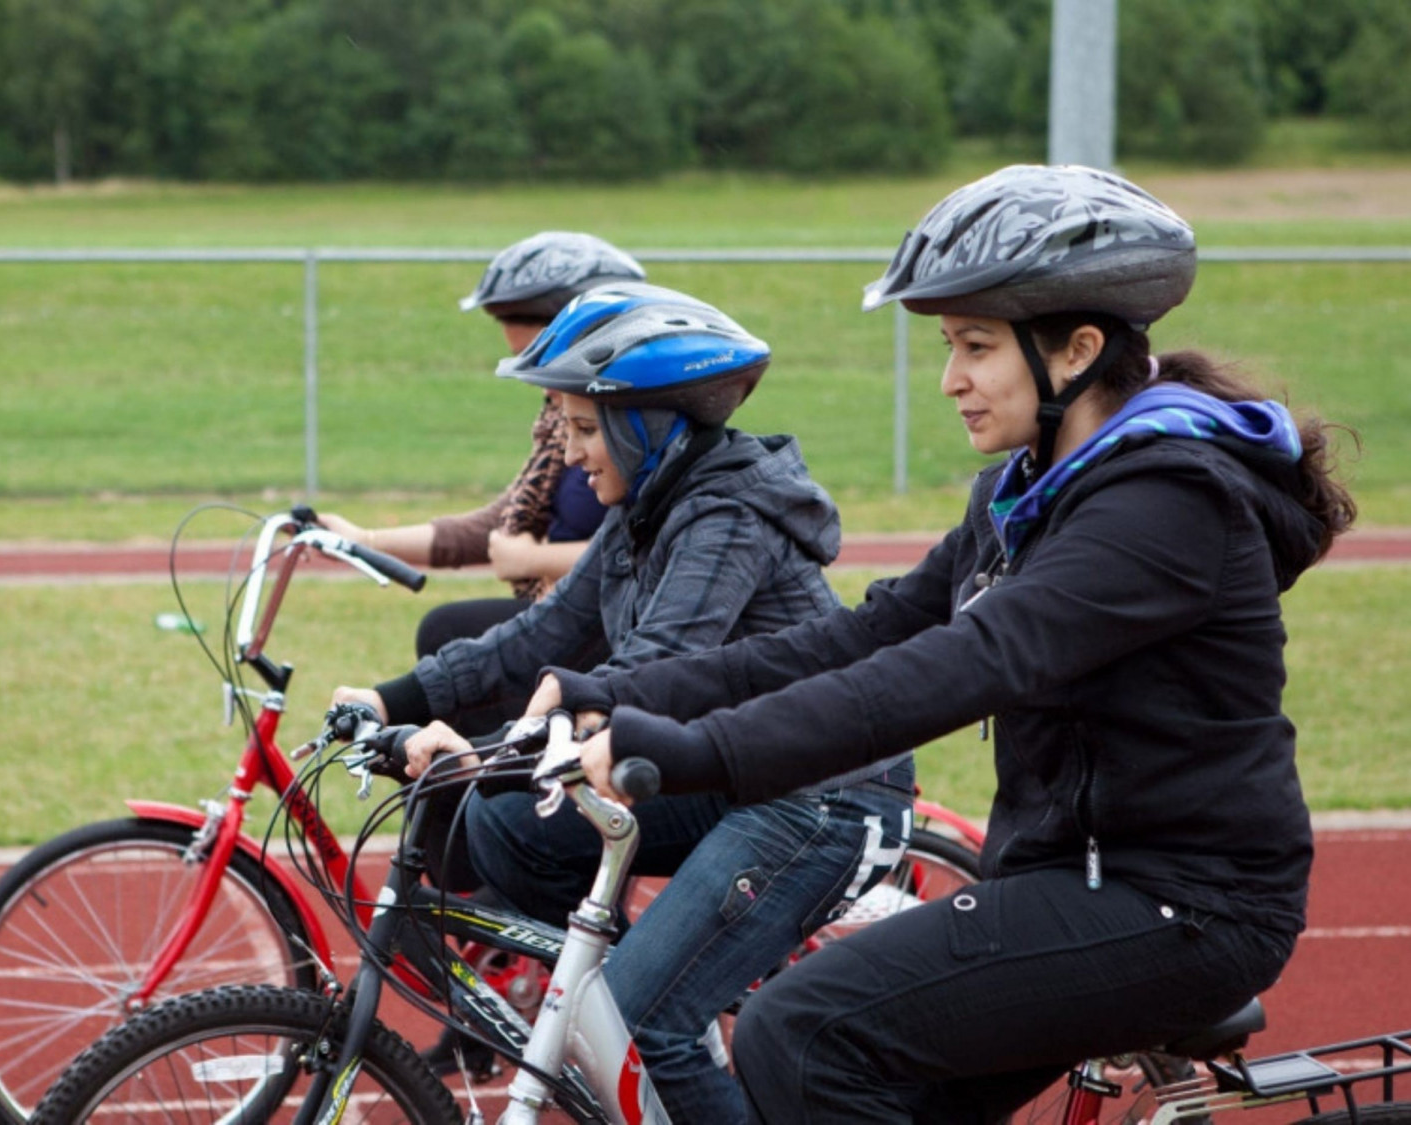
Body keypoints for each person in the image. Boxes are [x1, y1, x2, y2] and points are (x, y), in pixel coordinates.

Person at [538, 164, 1358, 1124]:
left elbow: (966, 664)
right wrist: (627, 693)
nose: (951, 379)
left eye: (976, 345)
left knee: (799, 1031)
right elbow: (865, 634)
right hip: (1070, 876)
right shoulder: (1029, 490)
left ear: (1077, 350)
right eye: (947, 344)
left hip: (1182, 902)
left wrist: (699, 754)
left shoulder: (1165, 507)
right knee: (855, 1069)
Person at [332, 281, 918, 1124]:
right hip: (733, 767)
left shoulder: (725, 513)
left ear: (647, 425)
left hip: (822, 793)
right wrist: (392, 699)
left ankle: (654, 1018)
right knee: (505, 826)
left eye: (578, 427)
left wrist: (483, 748)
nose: (568, 453)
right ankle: (639, 1009)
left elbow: (649, 669)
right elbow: (540, 638)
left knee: (643, 1020)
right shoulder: (644, 507)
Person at [321, 230, 643, 668]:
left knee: (448, 633)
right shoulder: (559, 424)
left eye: (543, 361)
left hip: (617, 628)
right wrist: (364, 541)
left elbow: (648, 547)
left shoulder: (638, 425)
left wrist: (535, 558)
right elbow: (495, 527)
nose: (537, 381)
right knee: (448, 637)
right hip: (567, 612)